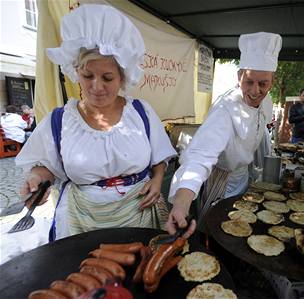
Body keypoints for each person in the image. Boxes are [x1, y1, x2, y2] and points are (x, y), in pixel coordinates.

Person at [15, 4, 178, 240]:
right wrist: (36, 181)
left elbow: (159, 156)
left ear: (123, 76)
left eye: (108, 77)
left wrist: (158, 179)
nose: (96, 87)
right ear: (75, 72)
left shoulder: (140, 113)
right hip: (81, 222)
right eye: (87, 76)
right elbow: (45, 167)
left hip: (139, 214)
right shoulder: (60, 120)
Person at [166, 32, 282, 234]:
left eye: (263, 83)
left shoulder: (268, 101)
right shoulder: (226, 109)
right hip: (220, 179)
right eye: (248, 82)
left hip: (243, 177)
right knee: (213, 230)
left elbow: (259, 132)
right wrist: (181, 204)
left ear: (272, 80)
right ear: (239, 77)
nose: (255, 91)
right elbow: (200, 154)